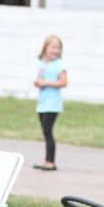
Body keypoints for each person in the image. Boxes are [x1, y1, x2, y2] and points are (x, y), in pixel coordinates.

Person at [33, 34, 67, 171]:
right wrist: (39, 83)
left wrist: (46, 83)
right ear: (45, 48)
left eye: (58, 48)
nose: (55, 50)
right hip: (42, 103)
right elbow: (40, 79)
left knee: (48, 131)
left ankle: (51, 162)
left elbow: (64, 82)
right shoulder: (42, 63)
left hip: (53, 104)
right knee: (45, 132)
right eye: (53, 47)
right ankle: (46, 160)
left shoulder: (60, 65)